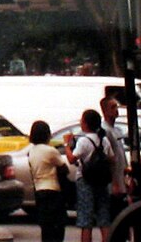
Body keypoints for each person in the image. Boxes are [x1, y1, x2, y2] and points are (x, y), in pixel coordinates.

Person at [64, 109, 114, 242]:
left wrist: (67, 146)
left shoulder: (83, 141)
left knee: (86, 217)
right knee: (104, 216)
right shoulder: (104, 140)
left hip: (85, 181)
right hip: (102, 181)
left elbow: (72, 159)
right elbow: (112, 159)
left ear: (85, 123)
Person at [28, 120, 68, 242]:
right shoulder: (50, 151)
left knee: (46, 227)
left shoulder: (31, 151)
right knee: (58, 225)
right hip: (53, 190)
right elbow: (64, 168)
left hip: (39, 190)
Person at [100, 96, 128, 219]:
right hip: (113, 184)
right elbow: (108, 158)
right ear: (105, 111)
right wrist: (114, 182)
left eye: (116, 106)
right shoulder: (105, 130)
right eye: (112, 107)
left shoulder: (117, 130)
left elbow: (120, 154)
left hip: (122, 180)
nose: (116, 110)